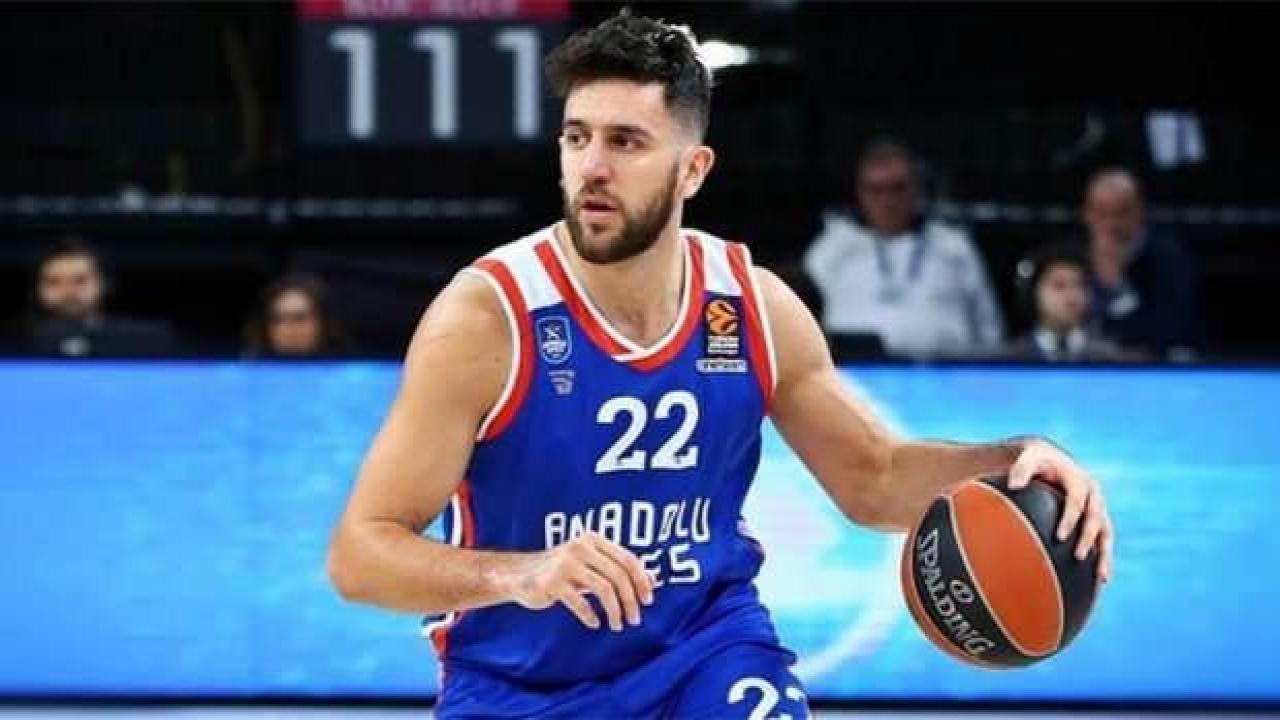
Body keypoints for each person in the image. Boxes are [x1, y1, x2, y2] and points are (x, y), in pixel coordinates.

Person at [326, 11, 1113, 719]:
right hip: (521, 688)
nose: (592, 167)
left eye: (626, 142)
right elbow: (361, 553)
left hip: (705, 655)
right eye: (576, 137)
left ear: (693, 170)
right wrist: (521, 574)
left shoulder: (752, 307)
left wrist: (1012, 463)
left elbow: (873, 480)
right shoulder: (487, 318)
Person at [803, 138, 1004, 359]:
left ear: (916, 189)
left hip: (943, 372)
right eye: (876, 190)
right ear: (860, 193)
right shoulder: (831, 248)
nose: (887, 201)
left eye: (897, 189)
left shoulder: (954, 246)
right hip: (851, 372)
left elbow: (988, 327)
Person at [1081, 167, 1198, 359]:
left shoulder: (1168, 258)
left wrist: (1117, 287)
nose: (1112, 224)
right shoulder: (1070, 256)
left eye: (1122, 213)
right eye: (1101, 213)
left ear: (1139, 210)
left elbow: (1171, 331)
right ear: (1086, 213)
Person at [17, 236, 175, 357]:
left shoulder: (144, 340)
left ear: (104, 284)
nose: (68, 291)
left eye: (80, 281)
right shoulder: (18, 342)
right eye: (53, 282)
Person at [1005, 242, 1139, 362]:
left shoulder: (1110, 358)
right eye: (1059, 286)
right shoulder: (1009, 359)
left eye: (1079, 285)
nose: (1071, 297)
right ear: (1034, 292)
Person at [242, 272, 352, 358]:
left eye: (300, 319)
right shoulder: (246, 372)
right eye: (277, 320)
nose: (288, 330)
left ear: (324, 322)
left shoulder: (353, 373)